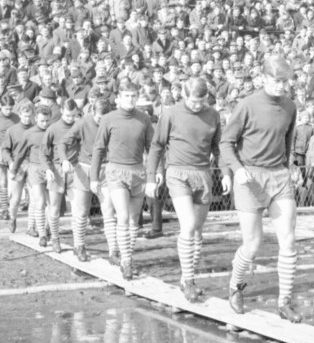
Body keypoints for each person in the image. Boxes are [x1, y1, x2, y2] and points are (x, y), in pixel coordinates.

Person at [219, 54, 302, 322]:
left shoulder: (290, 106)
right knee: (252, 244)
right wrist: (237, 169)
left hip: (278, 176)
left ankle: (285, 301)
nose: (282, 86)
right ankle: (235, 286)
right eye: (277, 81)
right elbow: (225, 143)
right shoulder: (247, 105)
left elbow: (287, 142)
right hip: (249, 178)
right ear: (263, 78)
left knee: (288, 241)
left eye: (285, 81)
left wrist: (290, 167)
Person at [146, 76, 231, 301]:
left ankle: (187, 277)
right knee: (189, 225)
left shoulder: (213, 115)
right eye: (193, 101)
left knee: (198, 231)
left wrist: (225, 173)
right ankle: (189, 280)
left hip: (202, 173)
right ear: (183, 96)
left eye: (201, 101)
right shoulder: (171, 113)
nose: (196, 105)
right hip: (178, 172)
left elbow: (218, 147)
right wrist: (150, 177)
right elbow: (157, 145)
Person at [91, 80, 154, 280]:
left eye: (133, 96)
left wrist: (154, 173)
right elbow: (99, 148)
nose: (130, 99)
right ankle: (125, 261)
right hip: (116, 172)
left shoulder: (144, 119)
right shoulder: (109, 119)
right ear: (118, 98)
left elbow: (152, 148)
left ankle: (128, 256)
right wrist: (94, 177)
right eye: (126, 96)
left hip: (138, 173)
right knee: (123, 217)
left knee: (134, 220)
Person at [61, 98, 112, 262]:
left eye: (105, 118)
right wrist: (64, 159)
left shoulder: (111, 123)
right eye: (99, 118)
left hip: (105, 169)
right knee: (81, 211)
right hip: (84, 168)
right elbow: (63, 142)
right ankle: (79, 245)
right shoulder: (83, 123)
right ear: (92, 112)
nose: (101, 121)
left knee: (109, 210)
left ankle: (114, 250)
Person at [10, 106, 53, 247]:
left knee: (51, 204)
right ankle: (42, 235)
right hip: (35, 169)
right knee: (39, 202)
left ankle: (49, 229)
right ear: (36, 119)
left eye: (47, 120)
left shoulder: (52, 131)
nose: (44, 123)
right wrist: (14, 168)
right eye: (41, 121)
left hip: (51, 169)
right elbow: (21, 153)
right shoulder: (29, 133)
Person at [42, 99, 79, 253]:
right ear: (62, 112)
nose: (70, 119)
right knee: (54, 208)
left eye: (73, 116)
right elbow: (43, 153)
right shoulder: (53, 128)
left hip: (75, 169)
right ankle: (55, 238)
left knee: (78, 209)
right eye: (68, 115)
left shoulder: (79, 126)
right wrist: (48, 169)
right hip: (57, 170)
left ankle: (79, 243)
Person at [2, 102, 35, 234]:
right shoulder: (12, 130)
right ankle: (13, 218)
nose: (27, 119)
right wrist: (10, 162)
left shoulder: (35, 129)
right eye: (24, 116)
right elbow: (5, 149)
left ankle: (31, 226)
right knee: (15, 198)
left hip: (32, 165)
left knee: (34, 198)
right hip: (17, 165)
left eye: (29, 116)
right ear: (20, 115)